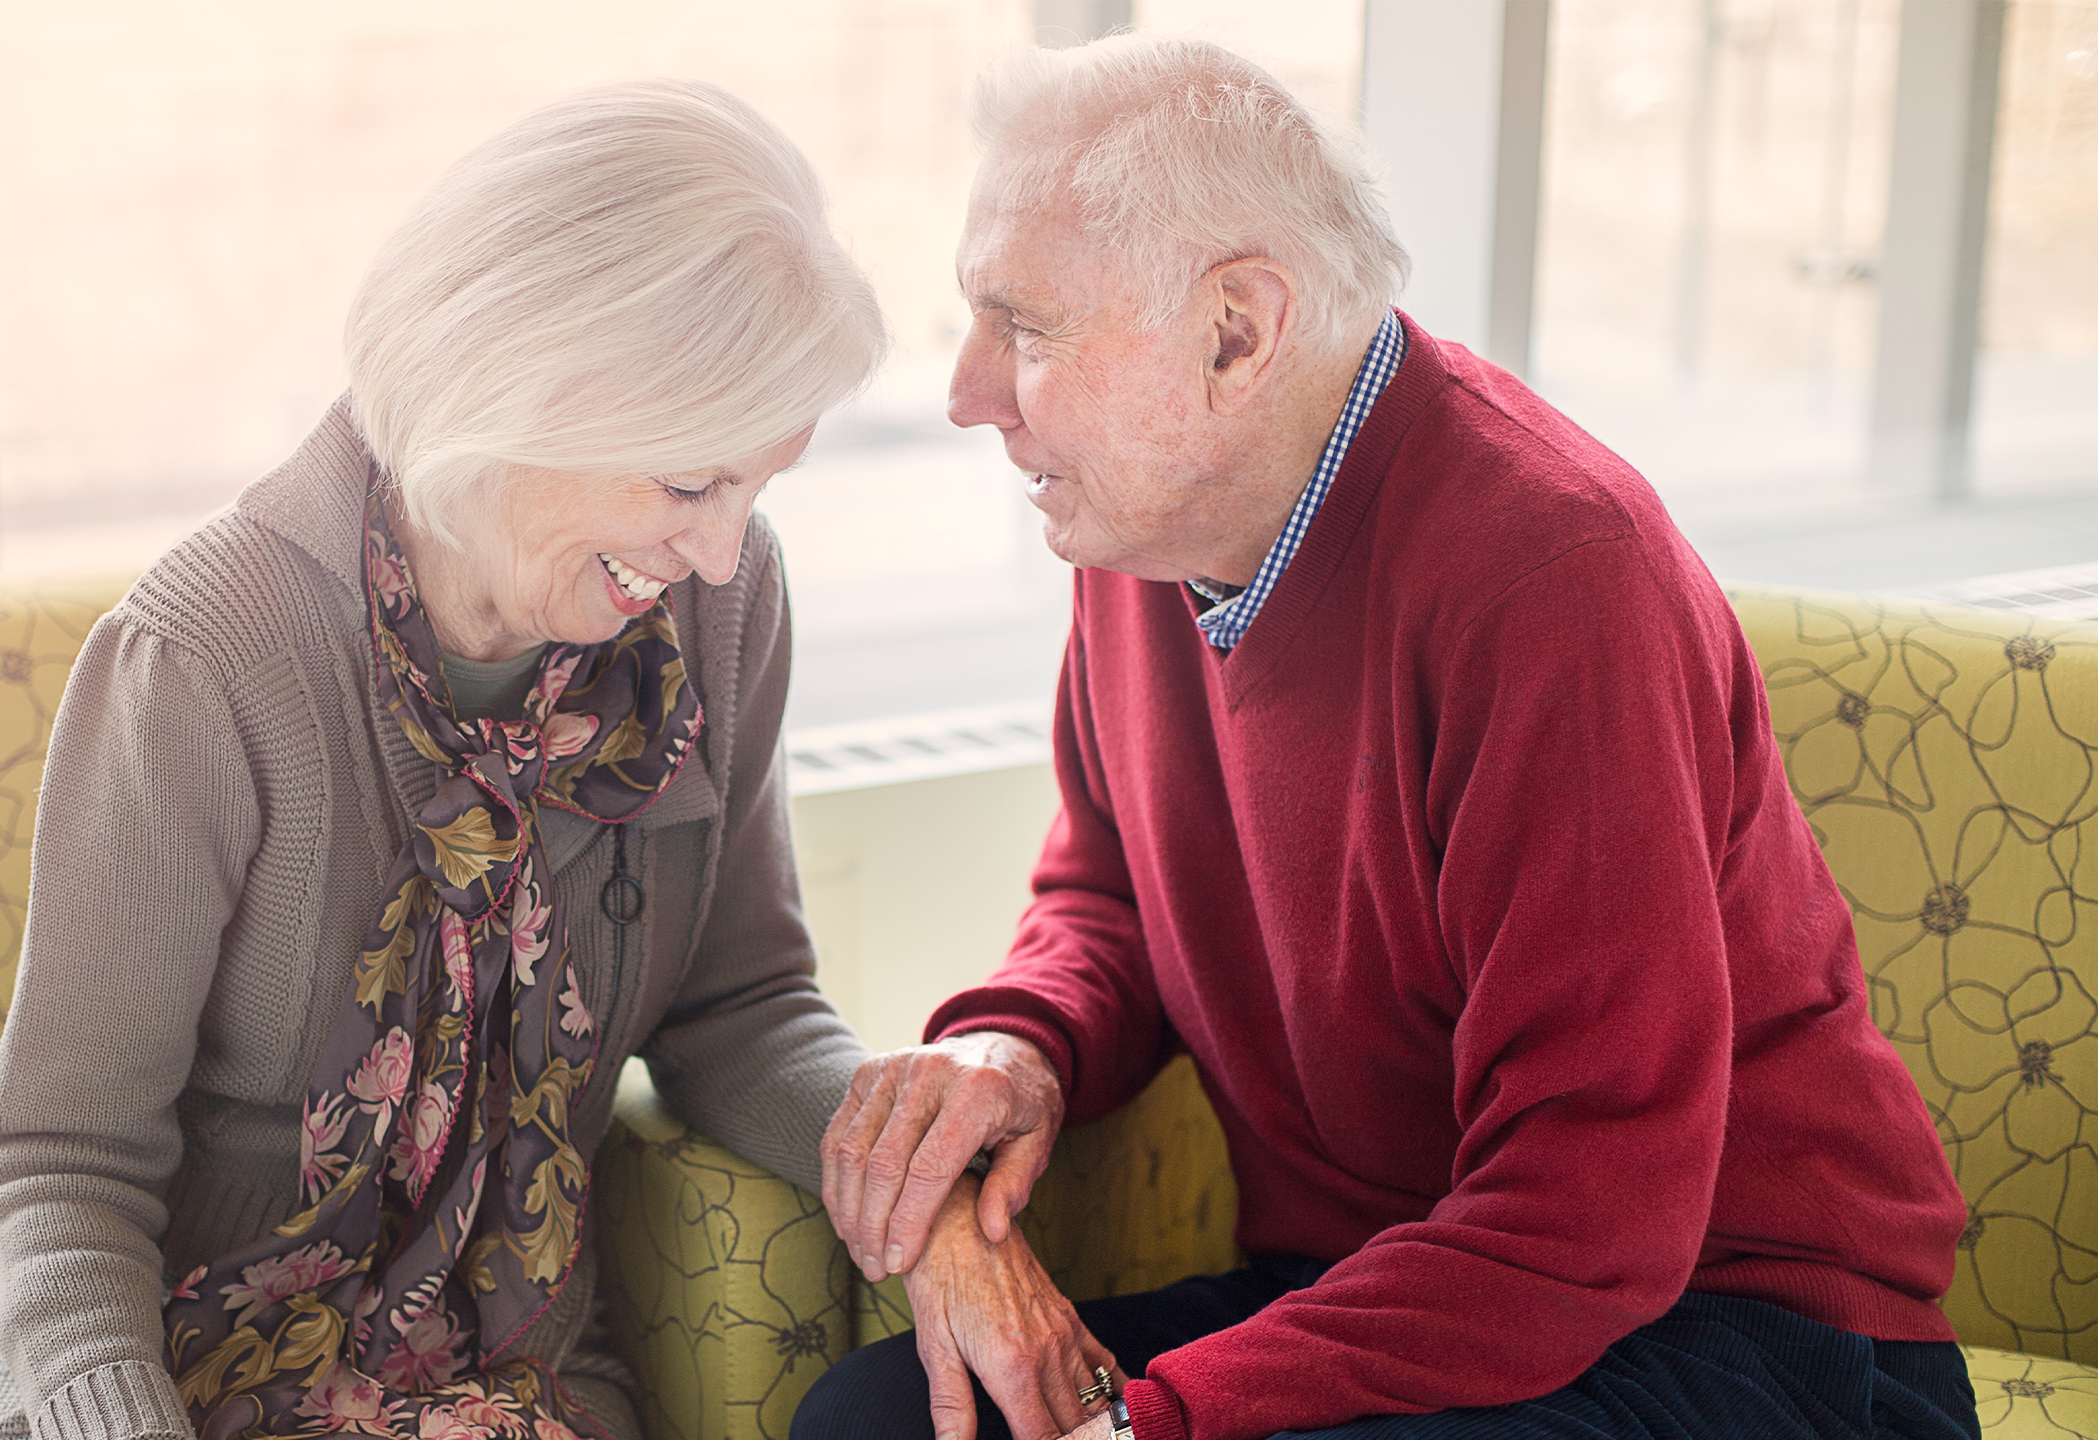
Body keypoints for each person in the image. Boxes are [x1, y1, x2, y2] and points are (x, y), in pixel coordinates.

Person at [798, 36, 1974, 1440]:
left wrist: (1147, 1426)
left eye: (1029, 331)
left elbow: (1584, 1211)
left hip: (1738, 1330)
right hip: (1386, 1290)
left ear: (1238, 331)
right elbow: (1110, 894)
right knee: (878, 1423)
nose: (971, 392)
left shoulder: (1553, 578)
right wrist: (1013, 1053)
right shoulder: (1138, 526)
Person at [0, 80, 885, 1440]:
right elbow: (57, 1164)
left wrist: (914, 1162)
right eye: (689, 485)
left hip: (493, 1371)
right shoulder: (207, 658)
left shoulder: (717, 612)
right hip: (139, 1362)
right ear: (522, 393)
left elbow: (743, 1007)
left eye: (759, 487)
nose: (723, 550)